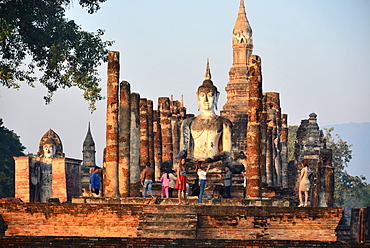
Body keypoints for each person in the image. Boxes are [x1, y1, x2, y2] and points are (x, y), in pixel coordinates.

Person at [179, 60, 232, 161]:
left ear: (217, 97)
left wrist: (213, 159)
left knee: (235, 166)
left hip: (215, 162)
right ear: (197, 97)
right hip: (195, 161)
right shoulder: (189, 122)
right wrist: (180, 156)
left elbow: (227, 152)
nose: (206, 100)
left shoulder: (224, 122)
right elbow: (183, 151)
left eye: (210, 95)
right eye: (202, 96)